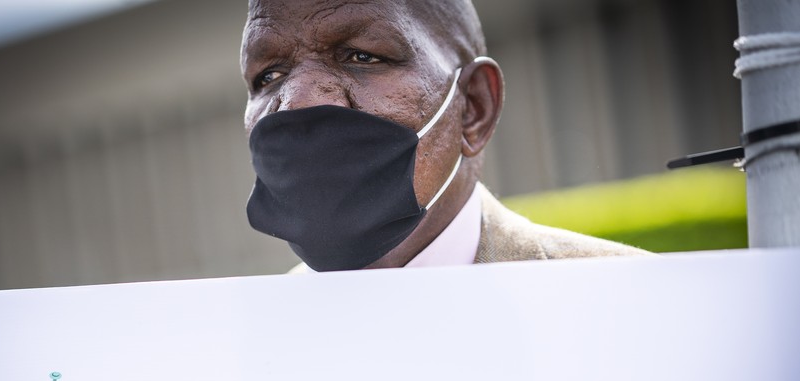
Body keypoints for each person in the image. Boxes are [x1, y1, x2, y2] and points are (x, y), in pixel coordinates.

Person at [240, 0, 650, 273]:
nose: (297, 101)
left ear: (473, 106)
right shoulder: (231, 346)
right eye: (269, 75)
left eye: (362, 56)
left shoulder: (640, 308)